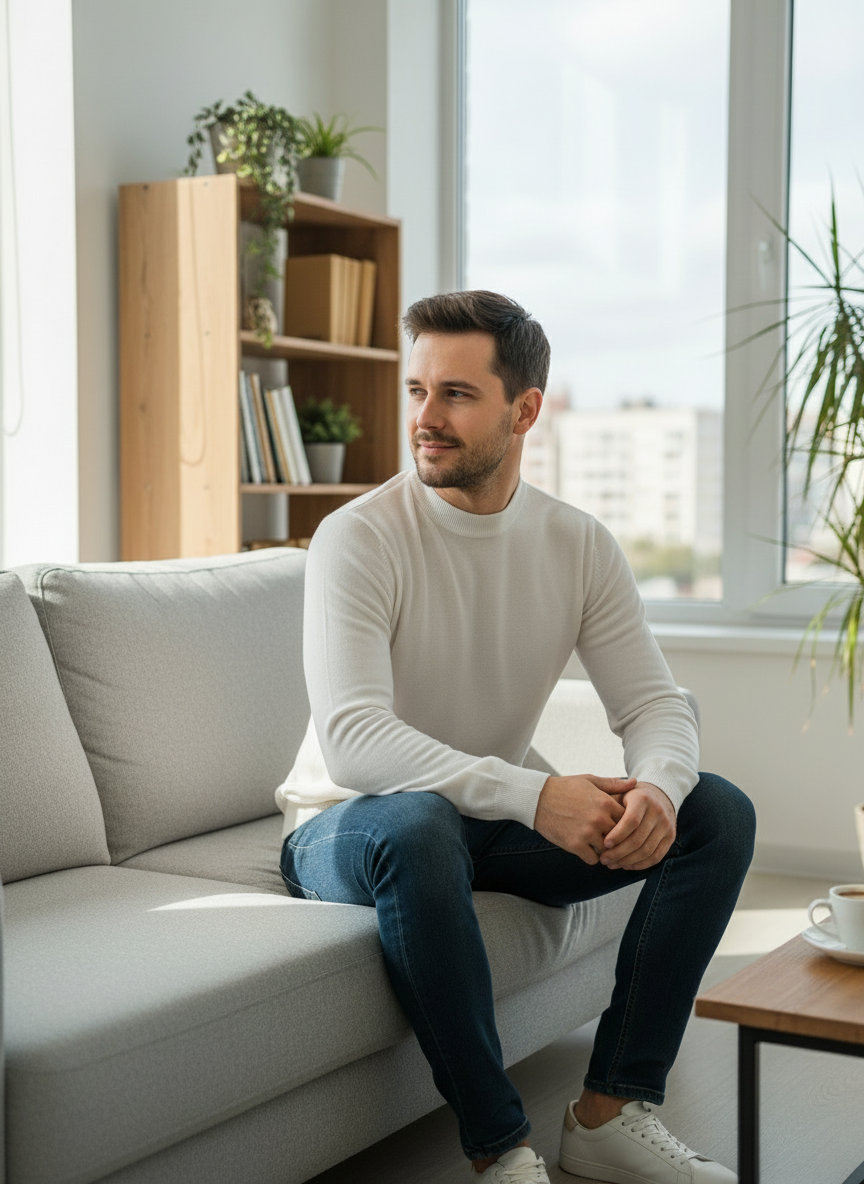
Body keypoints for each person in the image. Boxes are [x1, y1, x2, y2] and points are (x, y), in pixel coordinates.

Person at [278, 290, 755, 1184]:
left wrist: (656, 788)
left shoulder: (576, 544)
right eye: (416, 389)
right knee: (418, 823)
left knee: (715, 812)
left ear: (524, 409)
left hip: (478, 826)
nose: (425, 418)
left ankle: (611, 1111)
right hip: (349, 825)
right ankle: (500, 1150)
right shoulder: (358, 538)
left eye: (455, 394)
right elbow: (353, 739)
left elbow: (656, 705)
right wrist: (536, 794)